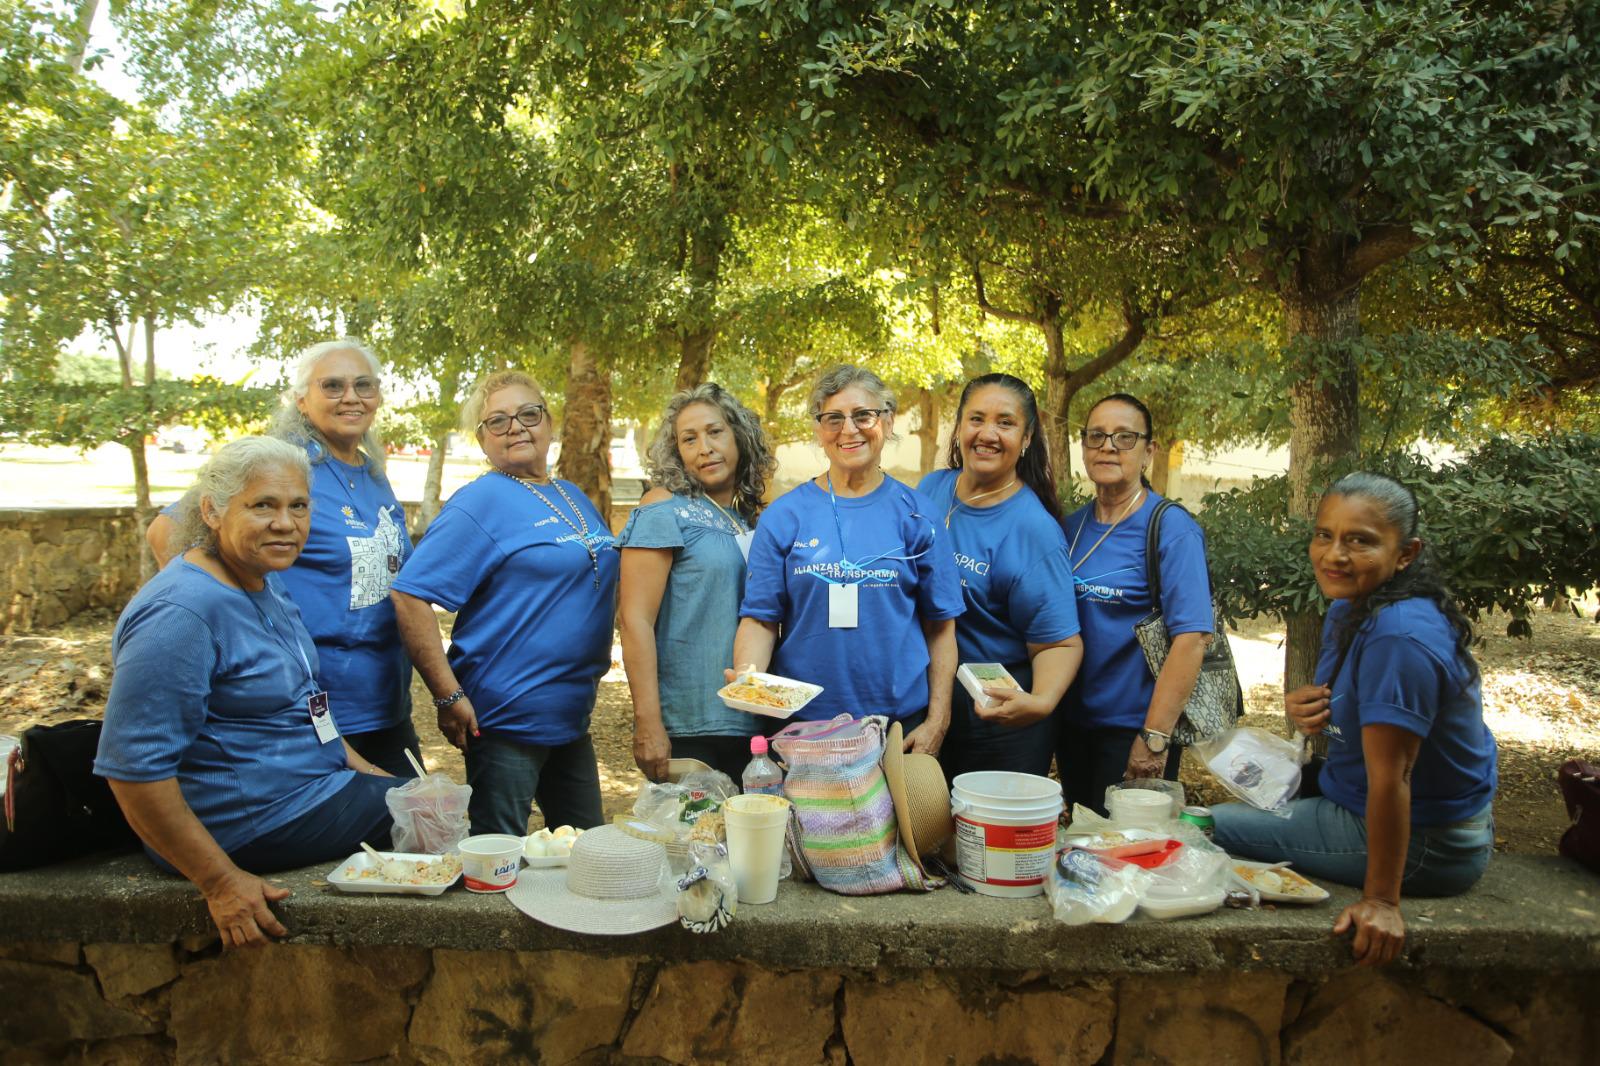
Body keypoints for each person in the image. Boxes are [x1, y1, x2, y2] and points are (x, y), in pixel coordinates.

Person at [96, 437, 403, 949]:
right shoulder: (183, 612)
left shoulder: (261, 577)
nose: (286, 523)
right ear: (212, 512)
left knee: (424, 801)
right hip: (243, 823)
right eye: (263, 505)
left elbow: (306, 700)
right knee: (438, 822)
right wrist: (220, 883)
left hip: (303, 789)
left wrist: (363, 768)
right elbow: (133, 769)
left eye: (298, 506)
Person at [1213, 472, 1496, 966]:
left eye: (1360, 541)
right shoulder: (1354, 608)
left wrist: (1382, 902)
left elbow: (1395, 777)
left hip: (1430, 843)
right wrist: (1309, 707)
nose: (1334, 555)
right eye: (1325, 535)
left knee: (1198, 826)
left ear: (1405, 554)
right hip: (1353, 797)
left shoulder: (1399, 636)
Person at [145, 340, 419, 776]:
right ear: (301, 399)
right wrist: (231, 625)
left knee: (415, 828)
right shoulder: (282, 462)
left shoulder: (371, 472)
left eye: (363, 385)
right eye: (332, 385)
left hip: (384, 701)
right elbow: (167, 532)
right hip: (303, 707)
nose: (351, 397)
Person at [391, 370, 616, 837]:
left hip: (571, 715)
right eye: (498, 421)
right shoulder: (480, 502)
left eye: (528, 414)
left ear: (549, 423)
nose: (515, 427)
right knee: (498, 864)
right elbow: (409, 594)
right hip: (507, 718)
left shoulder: (571, 495)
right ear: (483, 440)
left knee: (588, 852)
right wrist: (447, 694)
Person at [733, 365, 963, 754]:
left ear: (887, 421)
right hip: (806, 726)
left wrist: (937, 721)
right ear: (819, 430)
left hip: (898, 727)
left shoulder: (918, 515)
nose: (849, 429)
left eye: (863, 415)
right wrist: (747, 677)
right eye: (833, 418)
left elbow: (941, 628)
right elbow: (760, 617)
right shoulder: (784, 516)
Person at [917, 374, 1083, 780]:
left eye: (1005, 423)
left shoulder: (1033, 530)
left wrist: (1041, 702)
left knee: (987, 842)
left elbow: (1060, 643)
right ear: (958, 428)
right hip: (929, 706)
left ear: (1026, 439)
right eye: (976, 419)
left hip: (997, 721)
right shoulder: (931, 489)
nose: (987, 433)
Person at [1056, 393, 1214, 814]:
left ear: (1149, 451)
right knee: (1085, 842)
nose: (1108, 446)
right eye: (1096, 436)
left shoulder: (1171, 529)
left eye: (1125, 437)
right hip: (1072, 726)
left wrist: (1155, 736)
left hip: (1133, 730)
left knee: (1125, 854)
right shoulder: (1069, 529)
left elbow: (1192, 639)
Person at [618, 384, 778, 783]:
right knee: (693, 845)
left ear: (739, 436)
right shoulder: (663, 509)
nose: (704, 447)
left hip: (754, 724)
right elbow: (634, 620)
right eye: (689, 439)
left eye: (715, 432)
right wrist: (648, 723)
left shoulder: (747, 521)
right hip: (689, 725)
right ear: (677, 453)